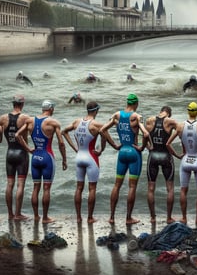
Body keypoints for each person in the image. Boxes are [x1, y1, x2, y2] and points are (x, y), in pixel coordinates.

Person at [16, 100, 67, 223]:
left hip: (35, 157)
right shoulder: (53, 123)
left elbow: (18, 135)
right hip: (47, 157)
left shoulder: (30, 121)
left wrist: (29, 149)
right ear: (51, 109)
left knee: (35, 188)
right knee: (46, 189)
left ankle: (36, 216)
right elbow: (61, 143)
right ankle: (45, 217)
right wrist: (64, 159)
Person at [100, 93, 144, 225]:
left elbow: (102, 130)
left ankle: (112, 217)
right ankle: (128, 218)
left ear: (127, 103)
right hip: (134, 152)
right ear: (136, 104)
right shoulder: (137, 117)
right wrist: (142, 147)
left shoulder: (117, 115)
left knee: (117, 185)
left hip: (122, 151)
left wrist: (114, 145)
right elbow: (145, 133)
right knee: (132, 187)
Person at [168, 102, 197, 225]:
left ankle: (184, 217)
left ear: (188, 111)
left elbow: (168, 143)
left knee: (183, 190)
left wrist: (177, 155)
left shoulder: (180, 126)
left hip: (185, 160)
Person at [63, 101, 106, 224]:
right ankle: (90, 218)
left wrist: (74, 148)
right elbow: (105, 136)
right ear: (96, 111)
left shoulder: (77, 122)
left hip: (79, 157)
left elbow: (63, 132)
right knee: (92, 188)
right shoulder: (97, 124)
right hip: (91, 158)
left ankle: (78, 218)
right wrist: (101, 150)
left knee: (79, 188)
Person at [141, 106, 178, 224]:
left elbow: (145, 136)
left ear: (161, 111)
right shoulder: (170, 122)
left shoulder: (149, 121)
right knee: (170, 189)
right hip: (166, 156)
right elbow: (181, 130)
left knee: (151, 188)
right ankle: (168, 218)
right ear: (169, 113)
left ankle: (153, 218)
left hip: (153, 156)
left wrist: (147, 148)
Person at [0, 95, 33, 220]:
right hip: (21, 153)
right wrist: (29, 148)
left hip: (10, 152)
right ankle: (18, 214)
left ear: (13, 104)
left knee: (9, 184)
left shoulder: (3, 118)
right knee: (20, 185)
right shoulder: (25, 118)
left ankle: (10, 214)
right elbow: (33, 132)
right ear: (22, 104)